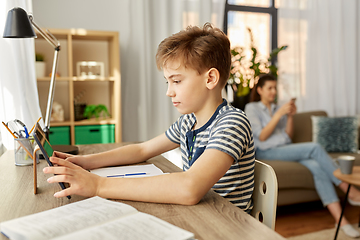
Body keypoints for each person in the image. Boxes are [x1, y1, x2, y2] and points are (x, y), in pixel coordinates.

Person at [43, 23, 255, 213]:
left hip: (226, 226)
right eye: (167, 82)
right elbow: (142, 150)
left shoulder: (231, 123)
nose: (169, 92)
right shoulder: (189, 121)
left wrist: (98, 185)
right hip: (199, 215)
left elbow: (189, 188)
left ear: (210, 78)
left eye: (177, 81)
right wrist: (86, 162)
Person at [244, 74, 360, 238]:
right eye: (269, 88)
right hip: (265, 151)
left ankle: (341, 221)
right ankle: (348, 189)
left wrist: (290, 116)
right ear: (260, 90)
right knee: (315, 148)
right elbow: (262, 136)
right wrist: (278, 115)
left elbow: (288, 136)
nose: (273, 91)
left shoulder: (279, 108)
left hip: (285, 148)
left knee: (316, 166)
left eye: (275, 88)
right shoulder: (252, 108)